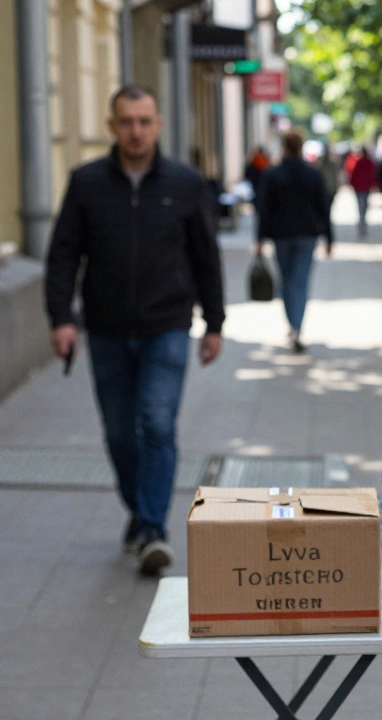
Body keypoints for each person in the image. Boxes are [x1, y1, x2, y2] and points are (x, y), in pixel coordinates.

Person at [45, 85, 225, 575]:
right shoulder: (86, 183)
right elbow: (63, 255)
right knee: (120, 433)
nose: (136, 131)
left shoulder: (185, 183)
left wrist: (214, 323)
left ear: (158, 125)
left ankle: (151, 528)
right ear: (112, 126)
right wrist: (61, 318)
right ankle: (140, 508)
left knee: (158, 423)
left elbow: (206, 257)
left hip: (167, 325)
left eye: (145, 121)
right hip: (105, 329)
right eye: (127, 122)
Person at [257, 130, 333, 354]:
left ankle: (293, 325)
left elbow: (264, 209)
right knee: (300, 281)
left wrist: (259, 238)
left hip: (281, 235)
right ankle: (296, 326)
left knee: (287, 281)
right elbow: (324, 207)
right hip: (307, 234)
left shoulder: (273, 173)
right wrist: (329, 237)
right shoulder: (312, 173)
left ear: (284, 146)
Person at [348, 146, 378, 238]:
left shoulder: (362, 162)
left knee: (361, 205)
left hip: (361, 187)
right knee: (363, 205)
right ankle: (362, 223)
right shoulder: (367, 162)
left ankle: (362, 223)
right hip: (364, 187)